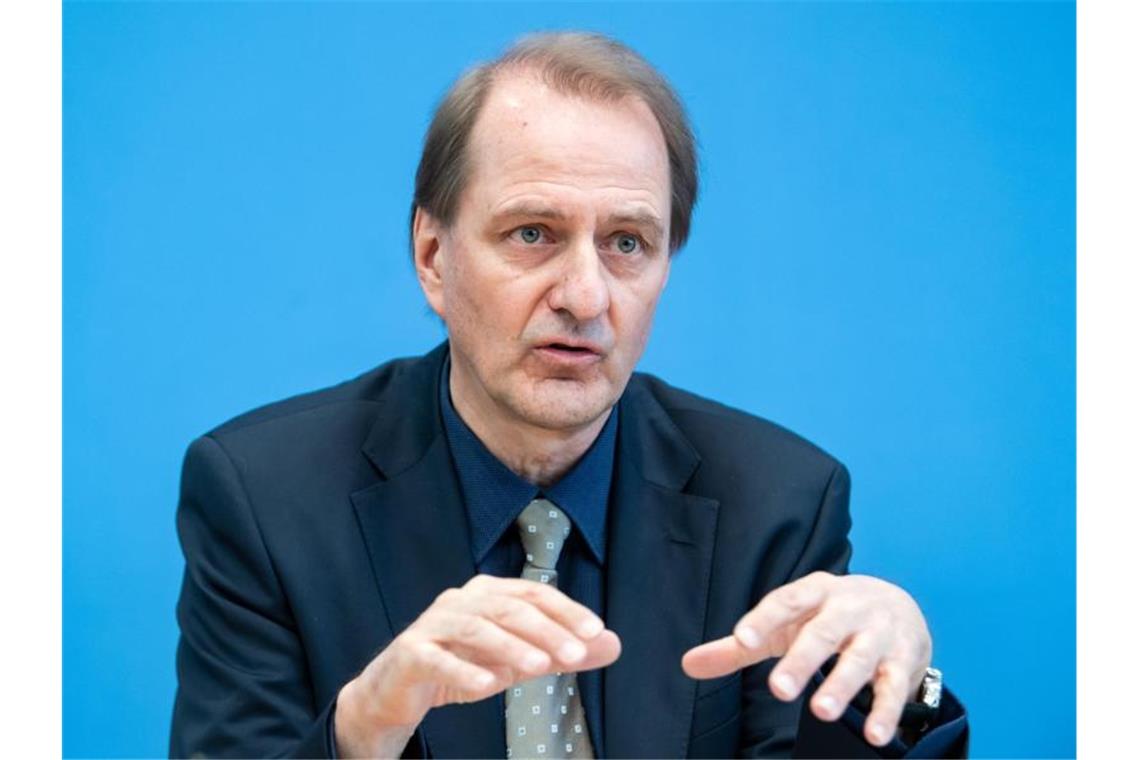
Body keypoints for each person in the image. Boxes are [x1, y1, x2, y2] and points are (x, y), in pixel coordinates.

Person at [169, 32, 968, 759]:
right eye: (533, 234)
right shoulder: (264, 498)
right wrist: (360, 732)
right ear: (432, 255)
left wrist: (898, 693)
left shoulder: (779, 505)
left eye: (627, 243)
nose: (586, 297)